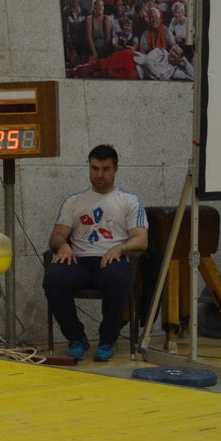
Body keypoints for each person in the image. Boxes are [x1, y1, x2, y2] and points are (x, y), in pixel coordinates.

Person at [43, 145, 148, 362]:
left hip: (110, 259)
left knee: (117, 277)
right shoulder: (74, 201)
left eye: (105, 169)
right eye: (94, 168)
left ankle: (108, 340)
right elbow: (56, 236)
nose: (99, 174)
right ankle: (76, 338)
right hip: (78, 260)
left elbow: (141, 239)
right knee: (54, 277)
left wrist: (120, 248)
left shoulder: (129, 201)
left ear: (116, 169)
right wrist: (62, 245)